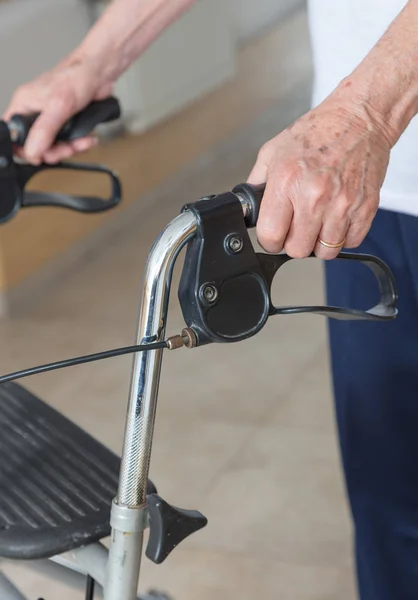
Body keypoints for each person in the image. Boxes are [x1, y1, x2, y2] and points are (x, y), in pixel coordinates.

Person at [6, 1, 418, 598]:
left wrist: (365, 117)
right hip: (366, 196)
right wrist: (91, 61)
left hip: (361, 140)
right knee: (389, 490)